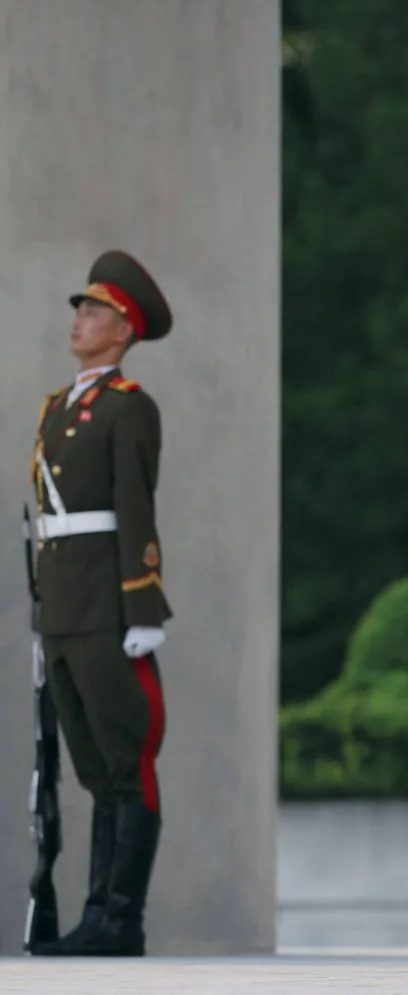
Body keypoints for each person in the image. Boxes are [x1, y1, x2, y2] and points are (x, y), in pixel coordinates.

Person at [29, 251, 173, 956]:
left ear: (123, 329)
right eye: (79, 308)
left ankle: (121, 919)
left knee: (127, 757)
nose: (78, 319)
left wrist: (143, 610)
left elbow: (133, 508)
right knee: (91, 762)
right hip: (63, 610)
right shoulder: (59, 408)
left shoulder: (127, 407)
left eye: (93, 310)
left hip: (111, 610)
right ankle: (96, 915)